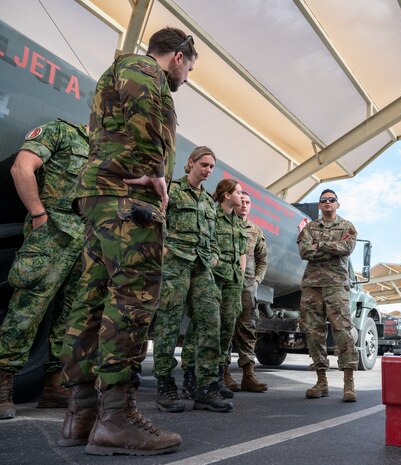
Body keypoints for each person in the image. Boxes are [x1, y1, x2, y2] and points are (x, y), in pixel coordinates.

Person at [58, 27, 197, 455]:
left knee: (93, 301)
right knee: (133, 300)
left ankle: (82, 414)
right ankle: (115, 419)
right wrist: (152, 168)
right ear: (178, 56)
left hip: (103, 197)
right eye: (190, 67)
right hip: (127, 198)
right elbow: (145, 112)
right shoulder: (141, 68)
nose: (187, 77)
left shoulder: (119, 71)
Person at [0, 119, 88, 420]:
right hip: (52, 235)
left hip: (84, 241)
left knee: (69, 317)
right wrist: (39, 215)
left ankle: (54, 387)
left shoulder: (107, 151)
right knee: (27, 309)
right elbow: (21, 167)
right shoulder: (61, 131)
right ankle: (2, 383)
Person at [152, 146, 231, 414]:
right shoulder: (172, 190)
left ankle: (205, 388)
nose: (208, 170)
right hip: (175, 262)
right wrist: (162, 247)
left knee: (210, 321)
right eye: (204, 164)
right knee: (169, 323)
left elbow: (214, 237)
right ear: (191, 163)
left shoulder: (209, 202)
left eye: (211, 166)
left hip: (202, 265)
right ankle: (165, 384)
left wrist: (216, 257)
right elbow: (157, 219)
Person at [297, 189, 358, 402]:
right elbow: (304, 251)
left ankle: (348, 383)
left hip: (336, 285)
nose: (328, 203)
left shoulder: (347, 226)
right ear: (320, 205)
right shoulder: (310, 228)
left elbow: (347, 248)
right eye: (324, 200)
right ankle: (321, 381)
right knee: (313, 332)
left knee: (343, 331)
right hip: (312, 286)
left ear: (337, 204)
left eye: (331, 200)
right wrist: (332, 248)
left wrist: (320, 245)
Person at [190, 179, 246, 400]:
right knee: (206, 329)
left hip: (232, 281)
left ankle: (217, 377)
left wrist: (240, 281)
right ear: (226, 195)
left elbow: (242, 254)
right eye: (239, 193)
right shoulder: (211, 215)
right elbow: (204, 245)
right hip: (213, 278)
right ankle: (194, 377)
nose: (242, 197)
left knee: (226, 330)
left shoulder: (238, 222)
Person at [227, 192, 268, 393]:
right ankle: (223, 373)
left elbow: (263, 259)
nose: (244, 205)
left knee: (248, 329)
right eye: (241, 201)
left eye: (248, 202)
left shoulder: (255, 230)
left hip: (247, 287)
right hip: (226, 283)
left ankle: (248, 375)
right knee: (225, 327)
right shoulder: (223, 224)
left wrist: (257, 281)